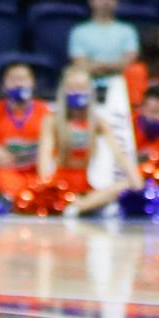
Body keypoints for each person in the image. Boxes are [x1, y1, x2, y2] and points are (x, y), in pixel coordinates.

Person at [38, 64, 126, 215]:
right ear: (63, 91)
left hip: (87, 183)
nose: (78, 92)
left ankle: (78, 207)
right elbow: (44, 158)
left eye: (82, 87)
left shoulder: (98, 122)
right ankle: (80, 207)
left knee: (124, 185)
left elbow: (120, 155)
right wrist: (47, 187)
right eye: (73, 87)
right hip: (60, 183)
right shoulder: (51, 120)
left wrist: (136, 181)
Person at [0, 62, 47, 206]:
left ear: (32, 83)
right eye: (13, 79)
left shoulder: (44, 112)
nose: (19, 84)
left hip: (33, 173)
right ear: (4, 85)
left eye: (23, 79)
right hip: (5, 173)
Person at [68, 0, 139, 83]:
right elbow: (80, 64)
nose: (105, 2)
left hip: (121, 86)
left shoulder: (128, 30)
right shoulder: (79, 31)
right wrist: (113, 66)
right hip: (88, 86)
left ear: (117, 1)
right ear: (91, 0)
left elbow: (129, 62)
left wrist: (98, 66)